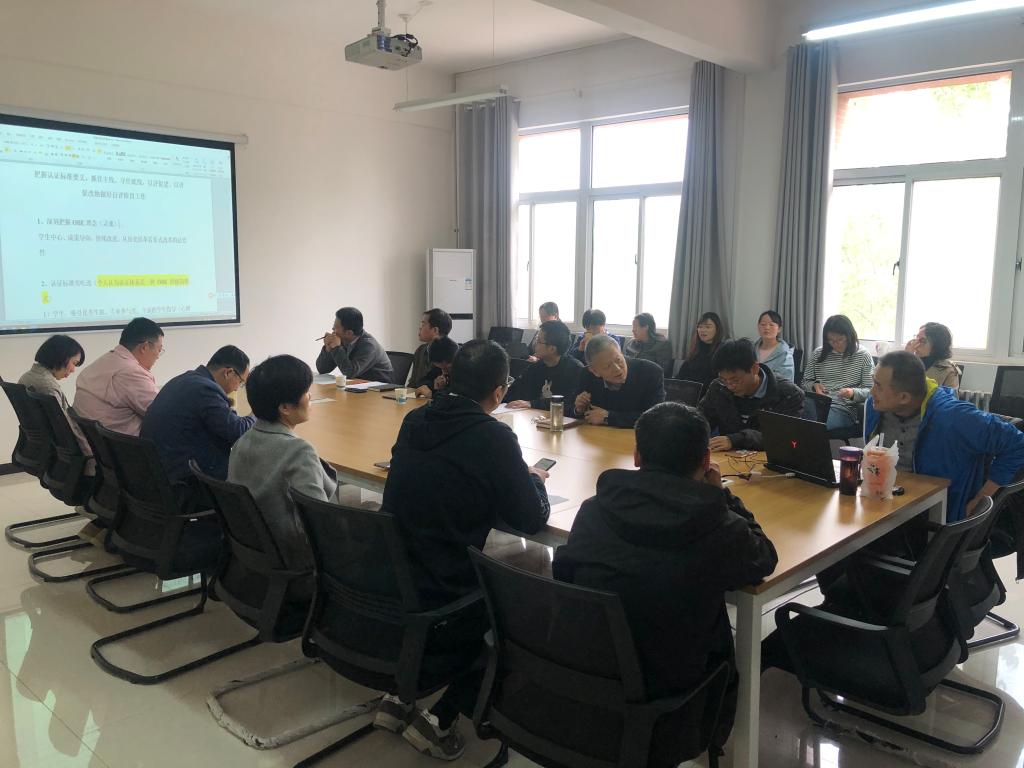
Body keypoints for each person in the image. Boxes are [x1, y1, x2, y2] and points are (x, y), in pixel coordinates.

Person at [553, 403, 778, 759]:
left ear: (637, 455)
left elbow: (563, 575)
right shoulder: (719, 526)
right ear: (706, 461)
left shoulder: (595, 508)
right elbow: (764, 558)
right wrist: (722, 496)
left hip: (585, 671)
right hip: (674, 696)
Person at [380, 339, 550, 760]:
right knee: (529, 590)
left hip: (393, 572)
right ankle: (440, 719)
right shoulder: (493, 436)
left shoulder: (416, 419)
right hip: (444, 586)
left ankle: (399, 695)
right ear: (499, 391)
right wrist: (533, 479)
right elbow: (530, 519)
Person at [865, 351, 1024, 522]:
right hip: (887, 505)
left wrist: (982, 498)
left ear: (904, 397)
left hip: (937, 517)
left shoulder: (956, 417)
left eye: (878, 386)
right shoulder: (875, 407)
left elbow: (1018, 443)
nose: (871, 391)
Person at [228, 355, 339, 572]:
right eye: (306, 392)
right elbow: (320, 524)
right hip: (294, 560)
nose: (309, 397)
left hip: (253, 556)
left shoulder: (242, 442)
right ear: (286, 407)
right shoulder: (299, 451)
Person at [140, 345, 256, 484]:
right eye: (240, 382)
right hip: (183, 483)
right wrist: (257, 412)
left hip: (158, 474)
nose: (237, 388)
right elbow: (238, 432)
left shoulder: (183, 380)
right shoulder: (206, 389)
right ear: (228, 373)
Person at [699, 339, 805, 451]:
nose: (730, 386)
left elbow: (783, 438)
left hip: (766, 458)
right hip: (727, 458)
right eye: (724, 379)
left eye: (735, 380)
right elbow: (701, 420)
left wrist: (736, 440)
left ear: (754, 368)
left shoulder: (788, 394)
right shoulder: (719, 387)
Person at [73, 317, 162, 436]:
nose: (158, 356)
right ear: (144, 347)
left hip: (89, 440)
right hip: (116, 445)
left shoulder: (106, 360)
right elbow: (162, 414)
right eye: (159, 349)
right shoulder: (131, 372)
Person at [19, 334, 91, 462]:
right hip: (64, 454)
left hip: (42, 449)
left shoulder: (27, 377)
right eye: (74, 363)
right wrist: (91, 455)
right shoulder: (48, 387)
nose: (73, 370)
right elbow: (66, 428)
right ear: (61, 357)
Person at [572, 334, 665, 427]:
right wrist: (579, 409)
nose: (617, 369)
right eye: (607, 366)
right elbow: (569, 406)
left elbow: (655, 417)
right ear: (595, 371)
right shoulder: (587, 375)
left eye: (618, 360)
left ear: (621, 353)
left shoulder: (650, 373)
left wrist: (608, 417)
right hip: (597, 434)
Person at [801, 314, 874, 431]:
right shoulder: (818, 353)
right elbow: (805, 382)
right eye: (830, 340)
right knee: (791, 420)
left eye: (840, 340)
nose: (835, 344)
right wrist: (814, 386)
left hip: (843, 408)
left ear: (849, 336)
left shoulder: (863, 355)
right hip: (815, 403)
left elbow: (872, 391)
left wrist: (853, 393)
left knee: (811, 427)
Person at [506, 320, 583, 409]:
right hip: (532, 415)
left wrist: (532, 404)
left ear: (552, 349)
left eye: (539, 341)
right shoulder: (536, 367)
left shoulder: (575, 370)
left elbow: (569, 403)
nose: (535, 343)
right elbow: (515, 391)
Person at [315, 306, 393, 383]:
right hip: (357, 385)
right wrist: (328, 348)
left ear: (349, 333)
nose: (332, 329)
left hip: (380, 387)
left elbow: (350, 373)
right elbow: (322, 370)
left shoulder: (369, 346)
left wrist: (336, 347)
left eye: (336, 327)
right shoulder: (343, 340)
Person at [677, 312, 726, 390]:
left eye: (707, 327)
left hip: (711, 392)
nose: (702, 330)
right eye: (700, 327)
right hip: (689, 391)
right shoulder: (696, 348)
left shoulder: (723, 350)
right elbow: (680, 376)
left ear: (717, 329)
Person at [906, 322, 960, 389]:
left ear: (936, 345)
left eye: (922, 340)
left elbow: (951, 396)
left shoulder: (948, 371)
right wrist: (906, 358)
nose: (916, 344)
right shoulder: (910, 362)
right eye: (916, 338)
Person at [409, 308, 452, 387]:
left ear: (435, 330)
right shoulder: (420, 350)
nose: (419, 328)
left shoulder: (449, 355)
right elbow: (413, 384)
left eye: (423, 324)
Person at [753, 310, 795, 382]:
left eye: (771, 325)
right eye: (763, 324)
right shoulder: (751, 349)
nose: (767, 327)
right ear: (758, 327)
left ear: (779, 329)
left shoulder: (785, 354)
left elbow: (786, 382)